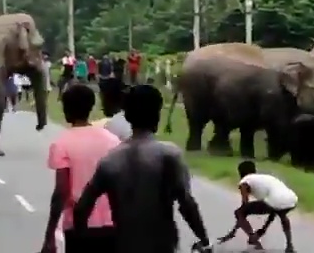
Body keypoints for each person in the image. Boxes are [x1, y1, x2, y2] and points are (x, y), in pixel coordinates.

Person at [73, 84, 209, 253]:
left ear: (128, 116)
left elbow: (81, 208)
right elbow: (187, 204)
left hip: (123, 245)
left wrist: (82, 239)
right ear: (157, 115)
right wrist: (204, 239)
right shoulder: (169, 155)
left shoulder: (110, 160)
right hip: (162, 246)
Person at [40, 84, 120, 253]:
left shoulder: (62, 143)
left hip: (78, 226)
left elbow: (61, 192)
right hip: (112, 224)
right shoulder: (113, 141)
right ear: (91, 107)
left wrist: (50, 235)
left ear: (65, 109)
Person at [217, 160, 297, 252]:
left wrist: (233, 232)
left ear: (240, 173)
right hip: (292, 199)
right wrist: (263, 230)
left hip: (275, 200)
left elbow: (243, 209)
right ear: (254, 170)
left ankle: (253, 239)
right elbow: (275, 209)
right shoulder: (264, 178)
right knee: (282, 215)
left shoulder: (244, 181)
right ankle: (289, 246)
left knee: (239, 212)